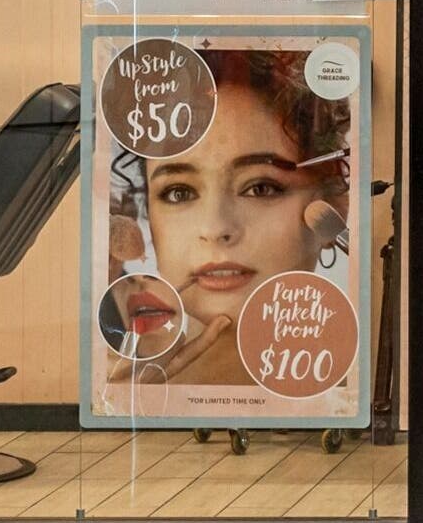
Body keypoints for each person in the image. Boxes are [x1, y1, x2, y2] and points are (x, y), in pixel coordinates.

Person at [110, 47, 354, 387]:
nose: (215, 228)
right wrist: (119, 401)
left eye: (261, 188)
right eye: (179, 192)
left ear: (334, 204)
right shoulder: (115, 379)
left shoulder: (360, 385)